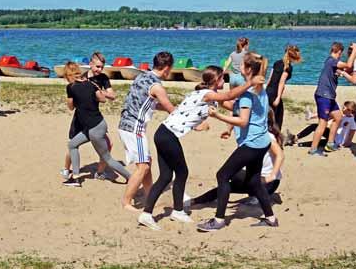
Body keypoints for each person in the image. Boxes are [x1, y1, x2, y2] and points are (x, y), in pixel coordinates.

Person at [137, 65, 264, 231]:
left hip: (162, 133)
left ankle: (163, 212)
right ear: (215, 81)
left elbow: (233, 105)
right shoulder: (206, 94)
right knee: (181, 173)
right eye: (222, 79)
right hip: (167, 136)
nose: (224, 81)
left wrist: (258, 107)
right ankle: (167, 211)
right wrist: (250, 83)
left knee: (166, 176)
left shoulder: (205, 95)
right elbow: (229, 95)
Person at [197, 52, 279, 232]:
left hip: (252, 144)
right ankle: (271, 218)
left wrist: (217, 116)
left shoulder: (248, 93)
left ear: (248, 69)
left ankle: (219, 220)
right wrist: (215, 97)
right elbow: (235, 105)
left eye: (242, 64)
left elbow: (242, 120)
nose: (239, 66)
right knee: (254, 181)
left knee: (222, 176)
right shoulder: (258, 89)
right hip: (262, 142)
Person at [189, 108, 285, 207]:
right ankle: (195, 201)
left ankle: (258, 198)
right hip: (257, 180)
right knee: (227, 184)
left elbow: (280, 155)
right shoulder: (255, 134)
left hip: (268, 183)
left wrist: (272, 176)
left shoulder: (266, 136)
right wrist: (228, 130)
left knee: (232, 174)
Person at [118, 52, 176, 211]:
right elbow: (171, 110)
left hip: (125, 124)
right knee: (143, 166)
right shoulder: (157, 86)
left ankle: (150, 194)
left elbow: (150, 103)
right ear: (166, 69)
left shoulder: (142, 76)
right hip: (134, 128)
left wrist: (168, 108)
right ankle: (126, 202)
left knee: (146, 162)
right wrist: (196, 124)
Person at [60, 54, 130, 182]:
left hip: (94, 122)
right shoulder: (83, 78)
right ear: (90, 65)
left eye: (102, 67)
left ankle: (105, 173)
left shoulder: (101, 79)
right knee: (72, 144)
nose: (99, 69)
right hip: (82, 119)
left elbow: (110, 97)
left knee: (107, 152)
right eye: (97, 66)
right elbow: (73, 104)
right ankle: (69, 171)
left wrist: (97, 91)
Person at [309, 42, 356, 156]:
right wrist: (355, 50)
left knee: (338, 116)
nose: (341, 56)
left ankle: (330, 143)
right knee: (323, 123)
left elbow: (346, 70)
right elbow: (348, 65)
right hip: (324, 96)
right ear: (339, 52)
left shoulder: (333, 64)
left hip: (330, 97)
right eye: (341, 54)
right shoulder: (331, 61)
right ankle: (313, 149)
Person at [286, 101, 356, 148]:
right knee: (314, 126)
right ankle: (295, 138)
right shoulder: (342, 115)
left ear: (350, 110)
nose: (342, 109)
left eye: (344, 108)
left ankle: (298, 145)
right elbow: (328, 116)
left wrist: (346, 143)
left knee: (319, 142)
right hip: (333, 134)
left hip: (337, 141)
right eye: (343, 107)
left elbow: (352, 133)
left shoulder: (353, 120)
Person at [266, 44, 302, 130]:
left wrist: (264, 91)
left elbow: (270, 79)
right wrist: (278, 97)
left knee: (269, 116)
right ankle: (274, 138)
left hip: (268, 91)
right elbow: (281, 83)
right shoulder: (288, 67)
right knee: (276, 118)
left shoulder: (277, 62)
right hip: (275, 93)